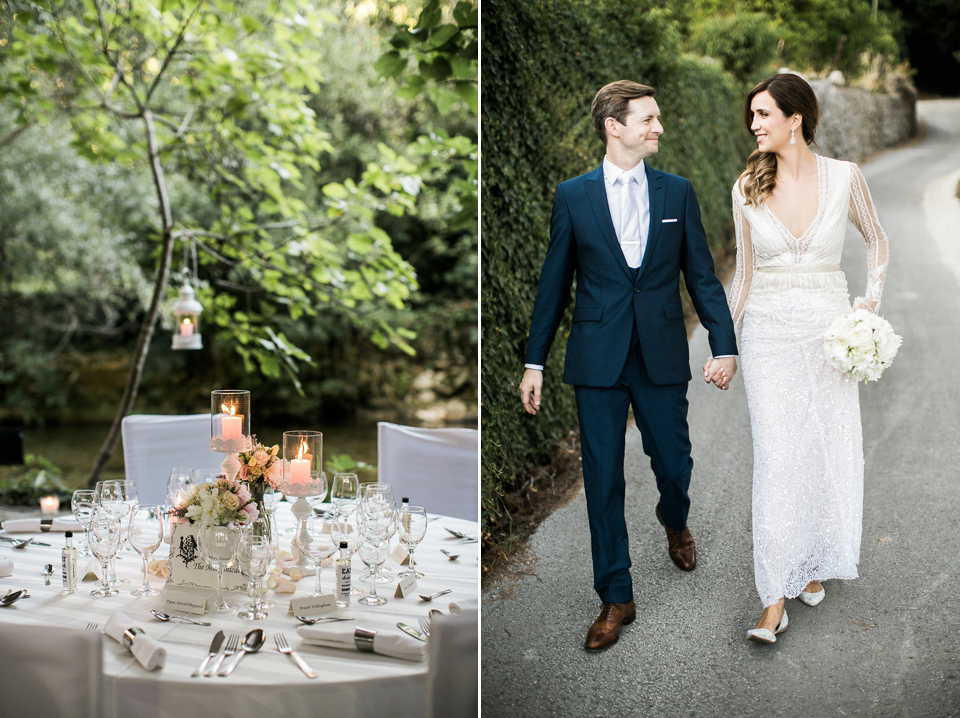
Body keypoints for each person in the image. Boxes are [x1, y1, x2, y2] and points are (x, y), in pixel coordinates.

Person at [519, 80, 738, 652]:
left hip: (661, 350)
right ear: (614, 126)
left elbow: (702, 275)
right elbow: (553, 285)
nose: (658, 127)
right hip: (597, 358)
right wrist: (533, 360)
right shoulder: (573, 196)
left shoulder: (677, 193)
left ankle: (675, 518)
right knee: (603, 480)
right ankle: (616, 596)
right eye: (648, 119)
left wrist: (724, 343)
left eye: (657, 118)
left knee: (674, 463)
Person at [726, 73, 889, 643]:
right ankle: (773, 596)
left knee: (822, 446)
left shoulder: (846, 177)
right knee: (777, 455)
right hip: (767, 333)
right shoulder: (746, 184)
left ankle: (813, 561)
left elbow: (877, 240)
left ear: (795, 118)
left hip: (828, 329)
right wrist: (726, 342)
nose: (754, 125)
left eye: (763, 114)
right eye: (752, 115)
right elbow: (744, 274)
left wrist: (868, 303)